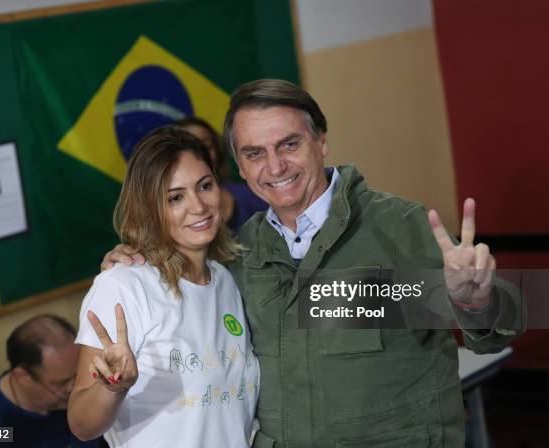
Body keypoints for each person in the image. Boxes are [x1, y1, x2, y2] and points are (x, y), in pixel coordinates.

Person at [102, 79, 525, 447]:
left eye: (289, 144)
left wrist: (476, 299)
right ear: (241, 168)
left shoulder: (398, 226)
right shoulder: (238, 253)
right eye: (254, 153)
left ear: (321, 141)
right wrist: (134, 261)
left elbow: (500, 330)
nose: (276, 166)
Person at [68, 127, 259, 447]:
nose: (198, 206)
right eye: (175, 197)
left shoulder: (224, 280)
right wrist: (111, 388)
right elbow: (81, 425)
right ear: (149, 208)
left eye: (205, 186)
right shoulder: (123, 286)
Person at [0, 315, 104, 448]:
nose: (74, 387)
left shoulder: (85, 393)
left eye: (78, 374)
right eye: (62, 383)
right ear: (23, 377)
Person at [175, 116, 268, 232]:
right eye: (175, 198)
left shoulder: (256, 198)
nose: (197, 157)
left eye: (205, 147)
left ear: (218, 151)